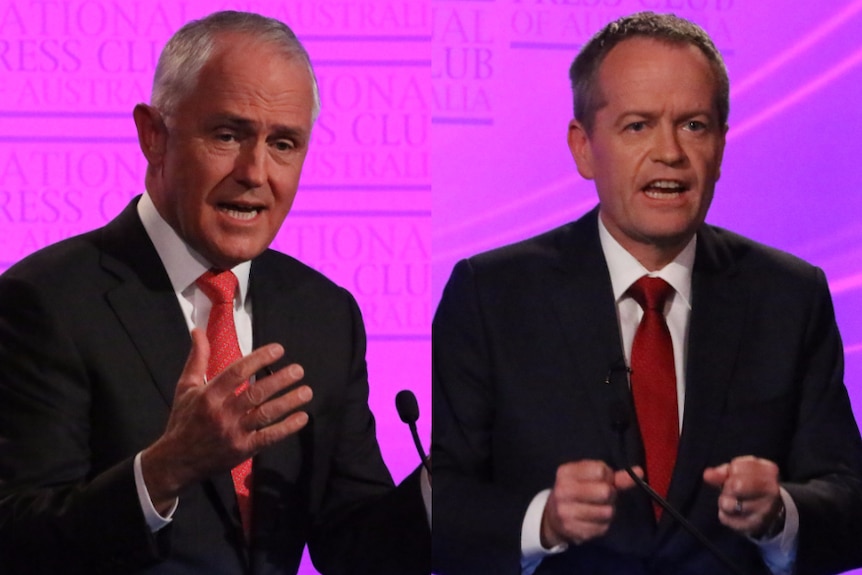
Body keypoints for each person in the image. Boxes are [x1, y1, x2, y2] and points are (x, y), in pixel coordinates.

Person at [431, 11, 862, 575]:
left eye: (694, 126)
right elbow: (436, 505)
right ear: (583, 147)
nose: (670, 153)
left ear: (722, 146)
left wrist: (779, 513)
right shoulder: (490, 296)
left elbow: (849, 503)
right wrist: (544, 520)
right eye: (638, 125)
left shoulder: (789, 296)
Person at [0, 11, 430, 575]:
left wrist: (441, 484)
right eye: (228, 135)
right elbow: (16, 541)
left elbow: (356, 547)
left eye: (283, 143)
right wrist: (164, 469)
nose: (255, 172)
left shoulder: (325, 314)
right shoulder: (45, 302)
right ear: (154, 136)